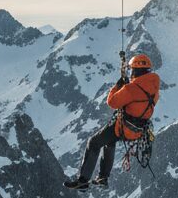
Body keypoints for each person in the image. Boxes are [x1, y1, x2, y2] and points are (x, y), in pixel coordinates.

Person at [63, 53, 160, 190]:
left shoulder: (131, 88)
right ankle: (103, 177)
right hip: (137, 130)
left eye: (132, 69)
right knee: (109, 141)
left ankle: (83, 181)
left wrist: (118, 86)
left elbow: (112, 102)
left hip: (123, 127)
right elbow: (140, 102)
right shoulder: (154, 89)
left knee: (94, 142)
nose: (131, 72)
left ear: (137, 70)